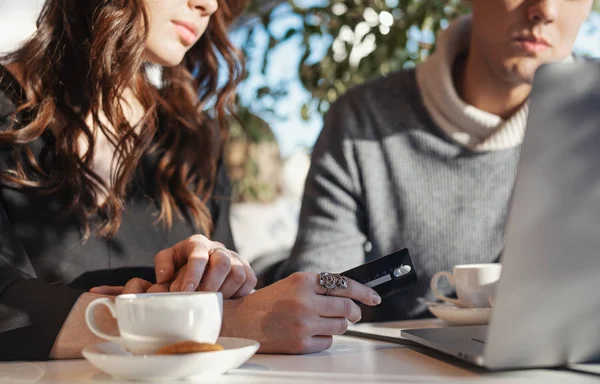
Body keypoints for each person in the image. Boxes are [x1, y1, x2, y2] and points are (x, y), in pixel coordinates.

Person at [0, 0, 381, 361]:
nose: (210, 5)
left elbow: (232, 300)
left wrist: (217, 277)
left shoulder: (192, 139)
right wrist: (216, 322)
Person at [276, 0, 593, 321]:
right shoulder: (363, 122)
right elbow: (320, 298)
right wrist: (320, 292)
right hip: (398, 366)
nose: (546, 10)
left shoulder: (589, 117)